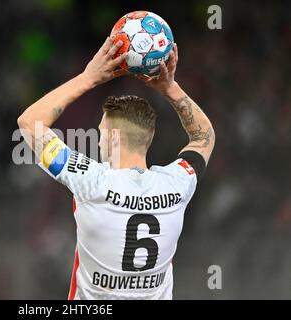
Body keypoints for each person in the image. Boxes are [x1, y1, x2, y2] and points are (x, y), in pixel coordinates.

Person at [17, 38, 215, 300]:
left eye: (100, 134)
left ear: (111, 137)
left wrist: (89, 78)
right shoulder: (177, 184)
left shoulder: (90, 180)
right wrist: (170, 88)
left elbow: (30, 123)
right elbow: (204, 137)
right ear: (148, 137)